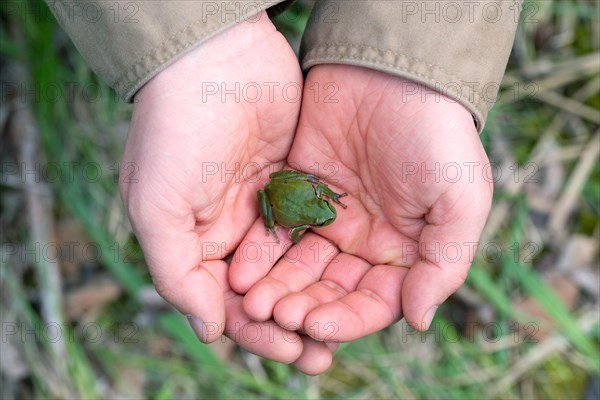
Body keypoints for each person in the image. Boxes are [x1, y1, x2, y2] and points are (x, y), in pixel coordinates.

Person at [47, 0, 520, 374]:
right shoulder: (313, 211)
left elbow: (314, 196)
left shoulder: (319, 206)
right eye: (325, 212)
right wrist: (193, 49)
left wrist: (413, 62)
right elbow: (308, 202)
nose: (329, 215)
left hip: (289, 193)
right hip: (278, 199)